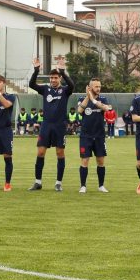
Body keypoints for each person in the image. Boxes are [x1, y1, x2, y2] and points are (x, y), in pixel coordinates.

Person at [28, 57, 75, 191]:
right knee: (41, 152)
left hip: (60, 126)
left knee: (60, 153)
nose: (53, 80)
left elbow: (72, 85)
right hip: (46, 126)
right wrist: (36, 70)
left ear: (60, 78)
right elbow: (31, 84)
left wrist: (64, 72)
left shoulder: (65, 90)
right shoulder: (45, 90)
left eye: (56, 77)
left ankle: (58, 183)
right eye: (52, 78)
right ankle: (38, 182)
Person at [77, 78, 111, 193]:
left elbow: (106, 108)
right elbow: (79, 111)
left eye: (99, 86)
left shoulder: (103, 99)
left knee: (101, 161)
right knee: (85, 161)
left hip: (99, 136)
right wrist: (88, 97)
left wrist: (94, 100)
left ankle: (101, 185)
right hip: (86, 136)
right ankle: (83, 186)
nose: (99, 89)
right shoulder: (82, 99)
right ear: (90, 87)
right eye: (96, 86)